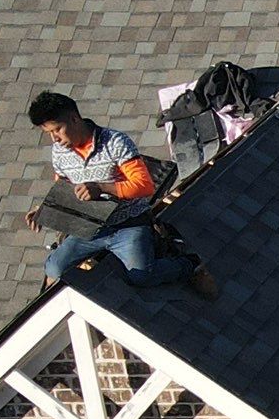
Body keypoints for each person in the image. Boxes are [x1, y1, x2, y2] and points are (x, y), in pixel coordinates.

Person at [25, 91, 214, 296]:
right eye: (49, 133)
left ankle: (188, 265)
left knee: (142, 276)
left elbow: (144, 185)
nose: (56, 139)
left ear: (74, 119)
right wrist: (46, 208)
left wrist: (102, 187)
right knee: (54, 269)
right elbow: (63, 186)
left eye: (58, 130)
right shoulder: (59, 152)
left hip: (128, 224)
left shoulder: (115, 142)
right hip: (90, 227)